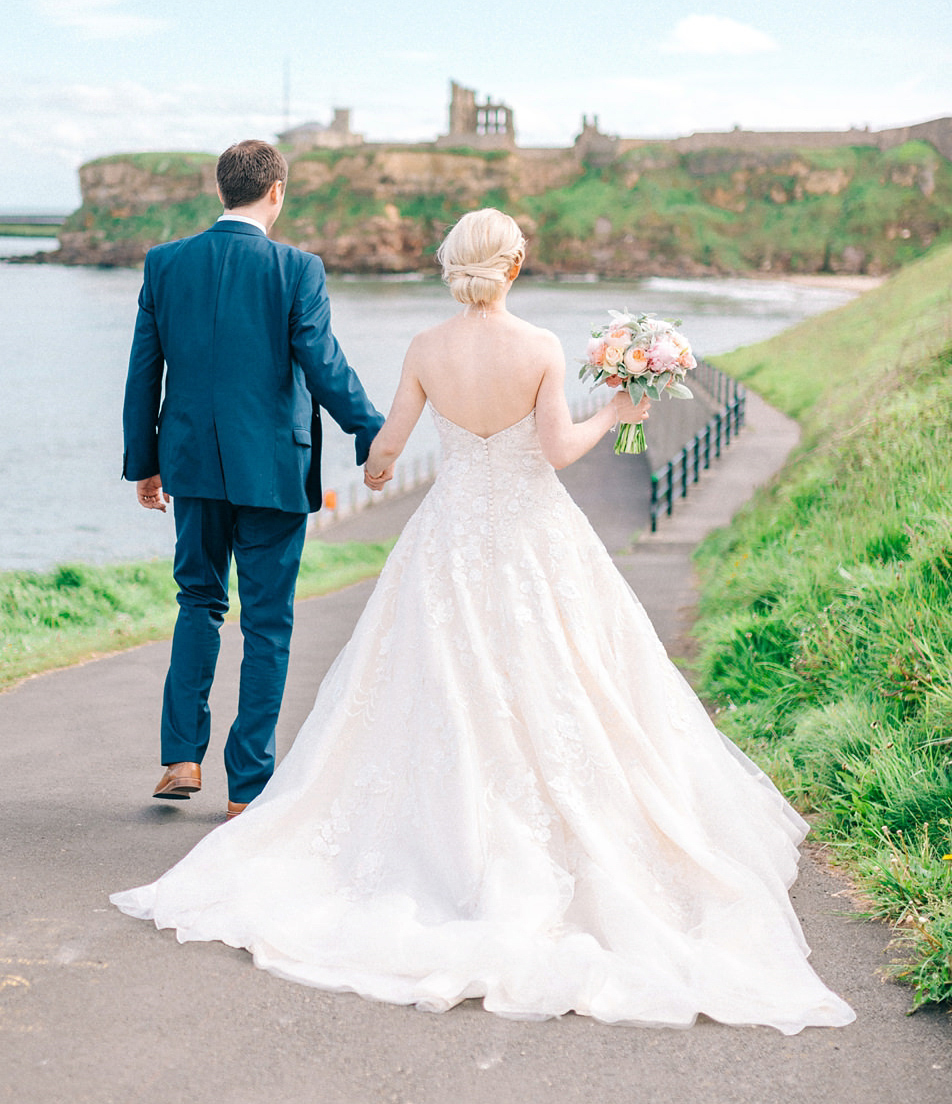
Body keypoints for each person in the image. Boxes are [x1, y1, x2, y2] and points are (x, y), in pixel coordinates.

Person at [113, 208, 854, 1034]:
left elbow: (388, 447)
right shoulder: (539, 348)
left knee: (422, 681)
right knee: (566, 675)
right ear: (514, 265)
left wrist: (379, 459)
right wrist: (619, 411)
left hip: (450, 538)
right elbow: (561, 451)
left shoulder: (427, 348)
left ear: (451, 266)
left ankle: (342, 813)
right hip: (535, 539)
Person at [121, 137, 383, 819]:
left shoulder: (165, 264)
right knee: (267, 625)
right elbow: (323, 363)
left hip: (192, 468)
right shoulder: (298, 270)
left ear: (220, 192)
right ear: (277, 192)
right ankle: (248, 789)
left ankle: (181, 758)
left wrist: (143, 463)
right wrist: (371, 431)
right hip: (273, 468)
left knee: (198, 602)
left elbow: (144, 372)